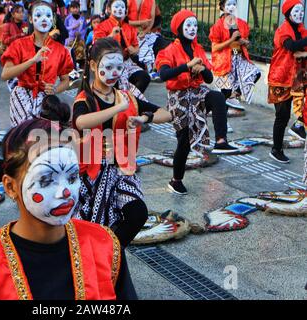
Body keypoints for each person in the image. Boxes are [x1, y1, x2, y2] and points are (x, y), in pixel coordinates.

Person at [0, 117, 137, 300]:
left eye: (72, 177)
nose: (65, 192)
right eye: (47, 180)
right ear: (10, 187)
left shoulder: (104, 246)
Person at [72, 37, 173, 246]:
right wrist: (117, 108)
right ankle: (96, 259)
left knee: (137, 213)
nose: (113, 73)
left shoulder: (127, 97)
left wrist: (144, 118)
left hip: (122, 170)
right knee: (93, 226)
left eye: (118, 67)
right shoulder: (85, 98)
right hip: (92, 172)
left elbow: (166, 114)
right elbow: (80, 122)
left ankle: (111, 255)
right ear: (92, 65)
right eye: (107, 67)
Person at [156, 9, 238, 195]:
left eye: (195, 25)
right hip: (179, 97)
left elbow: (209, 79)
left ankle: (221, 140)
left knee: (217, 97)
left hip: (198, 92)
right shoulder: (168, 50)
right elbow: (163, 75)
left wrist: (200, 68)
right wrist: (187, 66)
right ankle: (176, 180)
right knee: (183, 142)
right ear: (179, 28)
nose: (193, 29)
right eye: (188, 25)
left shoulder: (198, 48)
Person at [0, 0, 73, 127]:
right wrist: (32, 60)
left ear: (53, 20)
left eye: (48, 16)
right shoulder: (19, 44)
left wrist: (55, 89)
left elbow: (65, 81)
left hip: (45, 99)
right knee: (25, 134)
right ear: (31, 19)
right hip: (22, 94)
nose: (44, 19)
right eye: (39, 15)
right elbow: (5, 74)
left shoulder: (60, 49)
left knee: (43, 137)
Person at [268, 0, 307, 163]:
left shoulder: (302, 30)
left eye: (302, 11)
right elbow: (291, 46)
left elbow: (301, 49)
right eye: (296, 11)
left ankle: (298, 126)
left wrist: (303, 54)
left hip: (298, 77)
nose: (300, 14)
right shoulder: (283, 30)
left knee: (302, 105)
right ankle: (276, 149)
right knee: (282, 116)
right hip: (281, 78)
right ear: (288, 13)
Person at [209, 0, 261, 111]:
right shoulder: (218, 26)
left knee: (255, 72)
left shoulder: (241, 23)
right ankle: (224, 123)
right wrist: (231, 39)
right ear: (222, 6)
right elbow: (215, 47)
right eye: (228, 4)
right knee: (224, 94)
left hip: (239, 58)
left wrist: (245, 42)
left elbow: (246, 42)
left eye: (233, 4)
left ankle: (235, 95)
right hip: (224, 62)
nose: (232, 7)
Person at [93, 0, 151, 95]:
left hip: (127, 62)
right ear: (108, 9)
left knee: (144, 77)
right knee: (121, 86)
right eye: (117, 6)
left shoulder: (129, 27)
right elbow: (96, 45)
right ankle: (125, 102)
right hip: (110, 64)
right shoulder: (102, 26)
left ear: (125, 10)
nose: (120, 9)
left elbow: (136, 47)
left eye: (122, 7)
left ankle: (131, 101)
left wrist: (134, 50)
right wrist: (111, 35)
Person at [65, 1, 87, 68]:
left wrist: (80, 34)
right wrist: (73, 28)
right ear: (70, 9)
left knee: (81, 48)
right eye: (73, 8)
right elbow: (65, 28)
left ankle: (81, 65)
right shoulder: (68, 18)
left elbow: (84, 29)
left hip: (80, 38)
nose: (75, 9)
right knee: (70, 51)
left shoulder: (82, 19)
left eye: (77, 8)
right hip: (70, 39)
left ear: (79, 8)